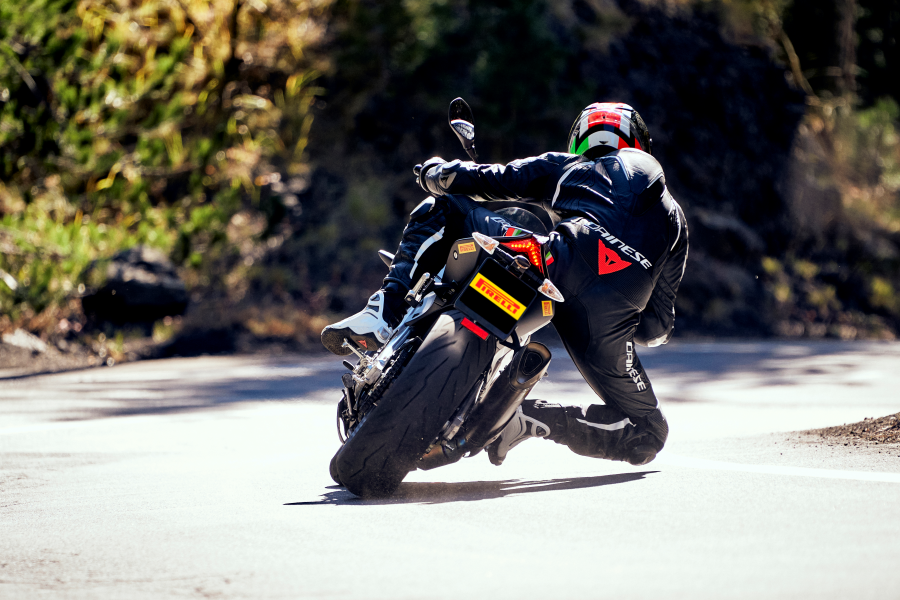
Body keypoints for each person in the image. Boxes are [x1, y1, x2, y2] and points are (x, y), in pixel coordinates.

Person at [321, 102, 688, 467]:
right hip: (611, 312)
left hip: (554, 261)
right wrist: (619, 316)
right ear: (640, 144)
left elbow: (489, 178)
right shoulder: (675, 220)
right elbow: (656, 329)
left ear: (579, 141)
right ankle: (523, 417)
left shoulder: (570, 167)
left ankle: (385, 312)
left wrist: (435, 174)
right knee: (648, 433)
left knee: (444, 206)